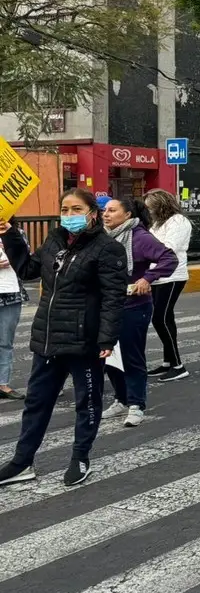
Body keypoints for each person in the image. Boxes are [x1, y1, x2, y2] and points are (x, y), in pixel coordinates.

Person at [0, 189, 127, 487]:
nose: (69, 215)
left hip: (84, 342)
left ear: (92, 213)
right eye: (64, 209)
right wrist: (11, 236)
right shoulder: (54, 239)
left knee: (88, 402)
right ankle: (22, 462)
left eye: (76, 209)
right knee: (36, 402)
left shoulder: (107, 248)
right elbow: (29, 270)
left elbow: (113, 298)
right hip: (48, 338)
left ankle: (80, 458)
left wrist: (106, 340)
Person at [99, 198, 177, 427]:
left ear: (128, 214)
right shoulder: (102, 237)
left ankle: (136, 404)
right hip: (107, 307)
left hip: (134, 306)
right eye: (104, 210)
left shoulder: (139, 237)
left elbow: (168, 258)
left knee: (132, 358)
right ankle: (121, 399)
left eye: (112, 210)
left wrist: (147, 278)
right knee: (108, 357)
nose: (106, 214)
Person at [144, 189, 193, 381]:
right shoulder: (156, 223)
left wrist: (149, 246)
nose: (148, 210)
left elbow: (168, 247)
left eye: (150, 206)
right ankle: (167, 362)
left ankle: (178, 366)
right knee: (165, 318)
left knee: (160, 318)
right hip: (157, 276)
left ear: (160, 204)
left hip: (172, 275)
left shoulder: (178, 221)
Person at [0, 228, 28, 400]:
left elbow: (25, 258)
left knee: (5, 341)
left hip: (11, 293)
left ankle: (3, 383)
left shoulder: (17, 232)